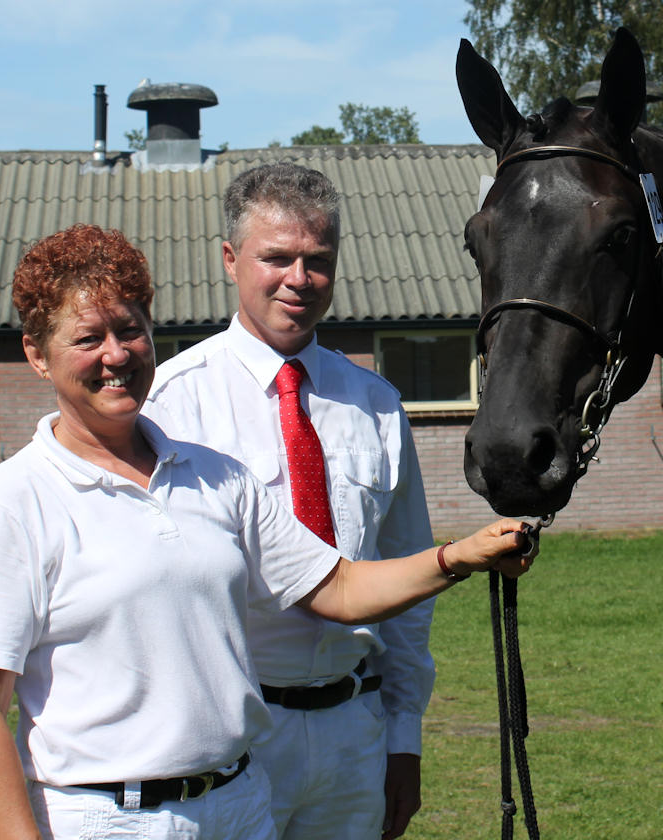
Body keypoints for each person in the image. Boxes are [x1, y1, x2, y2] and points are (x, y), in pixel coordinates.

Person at [0, 224, 532, 840]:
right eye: (87, 338)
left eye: (131, 330)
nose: (116, 354)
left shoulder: (215, 476)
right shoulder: (16, 501)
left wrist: (462, 555)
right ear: (35, 353)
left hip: (239, 806)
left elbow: (341, 589)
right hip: (108, 819)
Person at [143, 163, 443, 839]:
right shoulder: (170, 405)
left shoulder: (376, 405)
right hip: (232, 740)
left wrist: (404, 739)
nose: (298, 280)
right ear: (229, 259)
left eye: (318, 261)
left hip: (354, 739)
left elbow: (407, 592)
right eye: (276, 258)